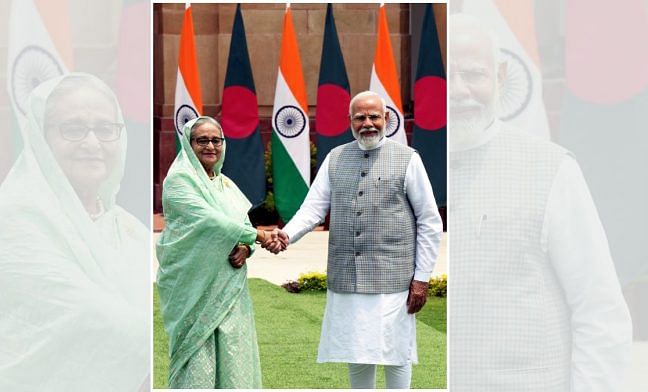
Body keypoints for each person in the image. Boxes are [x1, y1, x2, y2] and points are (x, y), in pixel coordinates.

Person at [449, 14, 632, 391]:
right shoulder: (409, 167)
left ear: (500, 77)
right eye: (447, 75)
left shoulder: (551, 170)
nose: (459, 89)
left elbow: (599, 312)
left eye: (473, 74)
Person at [0, 73, 149, 391]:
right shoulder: (15, 220)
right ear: (42, 138)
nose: (92, 143)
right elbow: (89, 319)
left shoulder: (127, 227)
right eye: (74, 129)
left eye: (105, 129)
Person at [268, 91, 443, 389]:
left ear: (386, 119)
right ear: (349, 121)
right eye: (360, 117)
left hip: (394, 279)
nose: (368, 123)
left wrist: (422, 278)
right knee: (356, 350)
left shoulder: (408, 159)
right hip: (347, 276)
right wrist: (285, 235)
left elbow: (429, 220)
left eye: (374, 116)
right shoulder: (335, 158)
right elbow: (313, 209)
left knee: (395, 352)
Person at [155, 116, 284, 389]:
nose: (210, 146)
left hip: (229, 286)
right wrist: (259, 236)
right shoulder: (179, 180)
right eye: (202, 140)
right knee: (196, 352)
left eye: (216, 140)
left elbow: (242, 222)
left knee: (233, 349)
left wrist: (247, 247)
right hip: (193, 285)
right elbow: (209, 221)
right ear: (189, 145)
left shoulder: (224, 183)